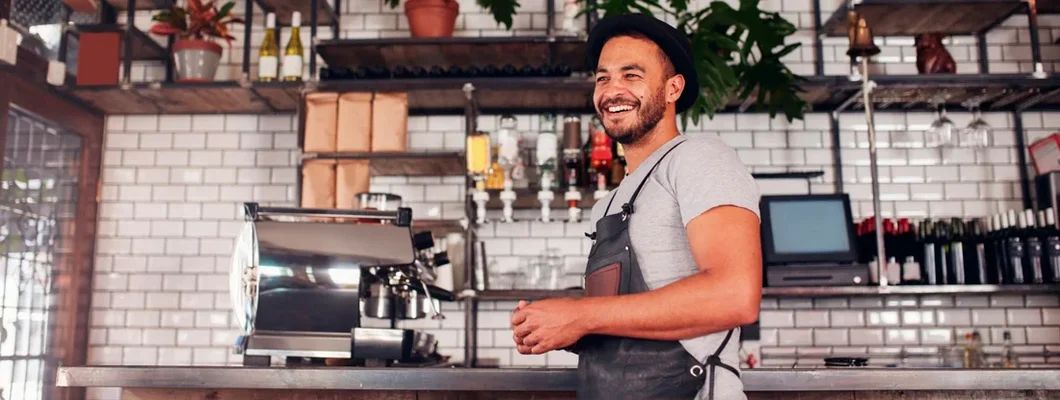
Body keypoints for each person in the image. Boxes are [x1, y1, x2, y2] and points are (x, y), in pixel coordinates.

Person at [509, 13, 763, 400]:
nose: (612, 90)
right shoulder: (608, 203)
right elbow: (624, 321)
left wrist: (581, 315)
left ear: (673, 87)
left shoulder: (698, 158)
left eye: (632, 75)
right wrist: (567, 328)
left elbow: (736, 294)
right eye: (603, 78)